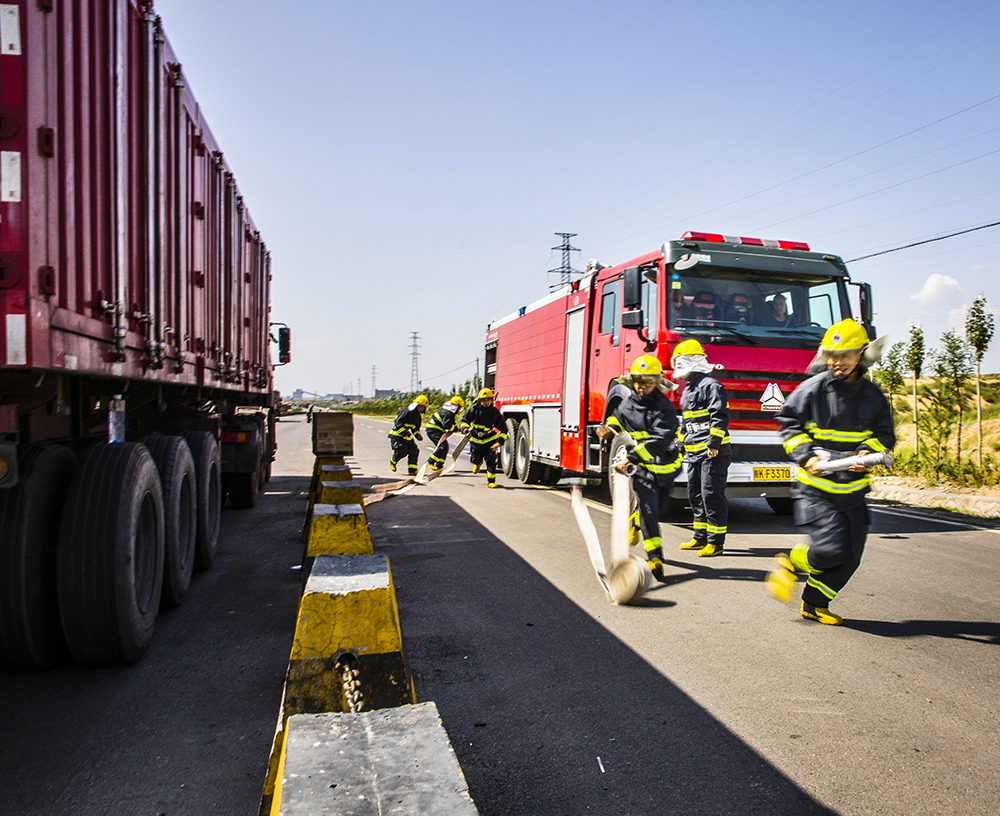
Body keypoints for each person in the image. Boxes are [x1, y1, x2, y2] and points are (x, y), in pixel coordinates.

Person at [765, 319, 894, 625]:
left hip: (853, 491)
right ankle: (792, 563)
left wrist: (868, 450)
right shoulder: (812, 389)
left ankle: (814, 604)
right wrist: (805, 455)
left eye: (845, 354)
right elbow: (788, 421)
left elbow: (885, 434)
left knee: (850, 558)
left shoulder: (873, 396)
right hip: (818, 491)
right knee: (830, 550)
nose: (837, 362)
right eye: (832, 355)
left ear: (861, 354)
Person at [596, 355, 683, 581]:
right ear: (632, 381)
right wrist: (608, 428)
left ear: (657, 383)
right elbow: (618, 418)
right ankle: (655, 557)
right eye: (639, 382)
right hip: (642, 468)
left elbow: (660, 441)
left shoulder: (665, 408)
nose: (642, 387)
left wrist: (631, 456)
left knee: (659, 510)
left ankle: (635, 521)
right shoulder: (627, 402)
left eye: (648, 383)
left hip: (665, 468)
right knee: (649, 511)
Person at [672, 340, 731, 557]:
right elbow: (686, 423)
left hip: (712, 452)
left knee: (711, 495)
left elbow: (720, 416)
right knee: (695, 494)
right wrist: (680, 446)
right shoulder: (688, 390)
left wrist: (714, 444)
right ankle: (700, 537)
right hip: (695, 452)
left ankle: (716, 543)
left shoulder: (711, 386)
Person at [459, 388, 507, 488]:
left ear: (491, 400)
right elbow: (465, 420)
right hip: (475, 441)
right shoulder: (474, 410)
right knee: (475, 459)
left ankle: (491, 481)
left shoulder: (495, 412)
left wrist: (500, 442)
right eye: (484, 400)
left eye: (488, 400)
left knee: (491, 460)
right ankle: (477, 463)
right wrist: (465, 429)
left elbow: (503, 428)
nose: (486, 402)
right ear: (480, 400)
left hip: (490, 441)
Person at [388, 394, 429, 476]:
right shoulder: (406, 412)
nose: (422, 409)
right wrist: (405, 434)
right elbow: (398, 424)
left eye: (423, 407)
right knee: (402, 451)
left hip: (407, 436)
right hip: (397, 435)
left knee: (414, 450)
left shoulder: (418, 417)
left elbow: (415, 428)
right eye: (421, 407)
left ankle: (412, 470)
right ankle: (393, 461)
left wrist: (418, 435)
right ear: (417, 406)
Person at [425, 395, 465, 471]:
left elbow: (450, 424)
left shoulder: (448, 413)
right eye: (459, 407)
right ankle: (430, 461)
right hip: (434, 430)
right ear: (456, 407)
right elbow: (447, 425)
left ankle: (439, 465)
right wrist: (456, 428)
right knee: (442, 446)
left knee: (445, 447)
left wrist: (456, 428)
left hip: (435, 430)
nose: (459, 410)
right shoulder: (448, 413)